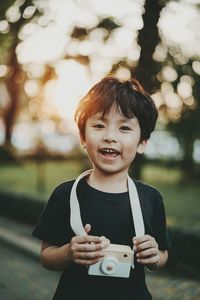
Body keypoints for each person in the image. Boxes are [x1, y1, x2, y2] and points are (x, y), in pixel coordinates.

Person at [32, 77, 169, 300]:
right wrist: (68, 252)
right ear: (83, 137)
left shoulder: (151, 199)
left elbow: (162, 255)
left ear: (142, 142)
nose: (110, 136)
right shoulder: (66, 195)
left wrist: (154, 256)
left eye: (124, 127)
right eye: (98, 125)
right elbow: (47, 257)